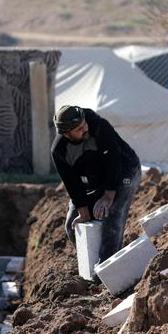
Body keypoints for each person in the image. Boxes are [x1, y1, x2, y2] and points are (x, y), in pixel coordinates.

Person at [51, 105, 141, 279]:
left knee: (112, 215)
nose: (85, 127)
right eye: (79, 129)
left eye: (84, 123)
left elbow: (114, 162)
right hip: (93, 179)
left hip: (125, 170)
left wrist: (108, 197)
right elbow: (72, 184)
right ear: (67, 134)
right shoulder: (59, 151)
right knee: (72, 225)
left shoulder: (99, 126)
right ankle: (90, 264)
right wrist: (83, 211)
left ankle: (106, 273)